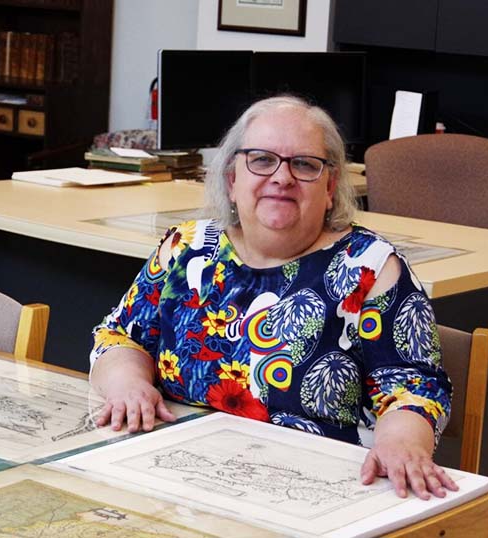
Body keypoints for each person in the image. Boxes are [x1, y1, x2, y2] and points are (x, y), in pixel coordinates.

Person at [88, 95, 457, 501]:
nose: (282, 178)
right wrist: (128, 384)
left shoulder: (369, 268)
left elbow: (413, 386)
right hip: (175, 479)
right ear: (231, 180)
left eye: (304, 164)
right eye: (261, 160)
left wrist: (403, 441)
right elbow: (120, 337)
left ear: (331, 187)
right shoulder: (187, 248)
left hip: (312, 493)